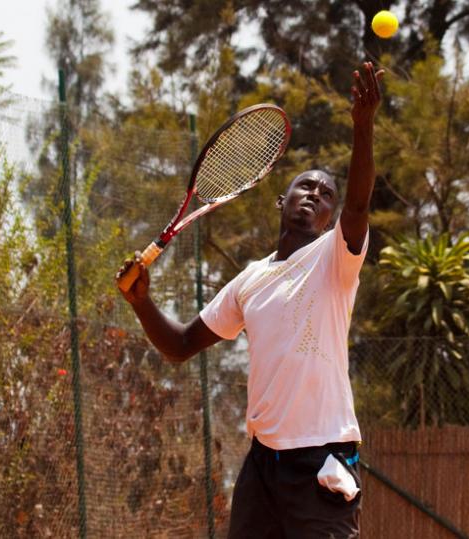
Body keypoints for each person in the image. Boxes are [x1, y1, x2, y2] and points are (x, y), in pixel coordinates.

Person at [115, 62, 384, 538]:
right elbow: (179, 346)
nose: (314, 196)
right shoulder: (249, 281)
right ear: (281, 200)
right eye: (306, 186)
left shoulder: (335, 259)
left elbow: (359, 205)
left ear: (329, 217)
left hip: (322, 459)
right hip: (262, 466)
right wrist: (141, 303)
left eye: (325, 195)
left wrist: (362, 126)